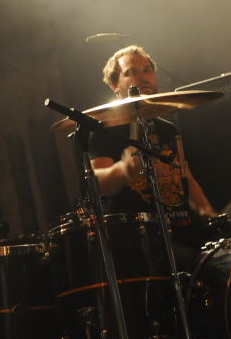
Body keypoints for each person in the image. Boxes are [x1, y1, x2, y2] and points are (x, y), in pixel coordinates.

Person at [89, 45, 216, 238]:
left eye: (147, 70)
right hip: (138, 237)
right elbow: (97, 184)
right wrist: (123, 170)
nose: (143, 77)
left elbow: (186, 179)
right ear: (114, 85)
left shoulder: (168, 130)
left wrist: (209, 213)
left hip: (182, 230)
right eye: (132, 72)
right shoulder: (103, 130)